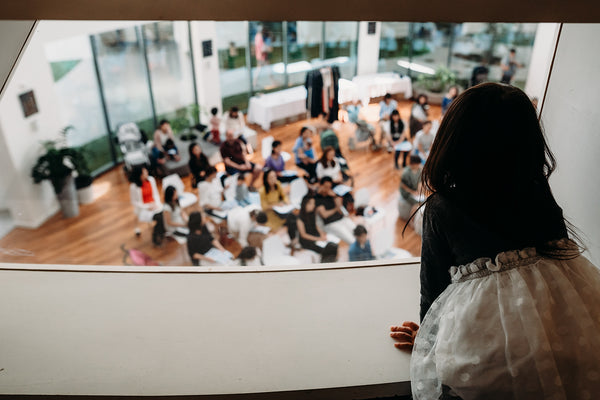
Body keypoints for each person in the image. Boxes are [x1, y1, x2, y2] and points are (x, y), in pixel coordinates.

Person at [389, 83, 600, 399]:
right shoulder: (538, 193)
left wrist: (429, 339)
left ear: (453, 141)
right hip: (567, 338)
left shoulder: (442, 208)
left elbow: (432, 294)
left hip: (489, 360)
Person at [315, 176, 356, 244]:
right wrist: (335, 209)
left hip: (341, 219)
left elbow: (339, 208)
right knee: (351, 240)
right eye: (325, 187)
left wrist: (335, 196)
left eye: (329, 187)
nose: (327, 189)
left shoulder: (331, 194)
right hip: (331, 223)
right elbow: (324, 215)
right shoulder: (317, 199)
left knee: (358, 231)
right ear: (320, 185)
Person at [398, 155, 424, 220]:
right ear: (413, 164)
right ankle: (411, 220)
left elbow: (420, 182)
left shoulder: (419, 169)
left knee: (423, 200)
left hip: (415, 190)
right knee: (416, 204)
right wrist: (413, 192)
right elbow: (403, 186)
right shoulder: (406, 172)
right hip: (406, 192)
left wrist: (419, 191)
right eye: (418, 164)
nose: (419, 165)